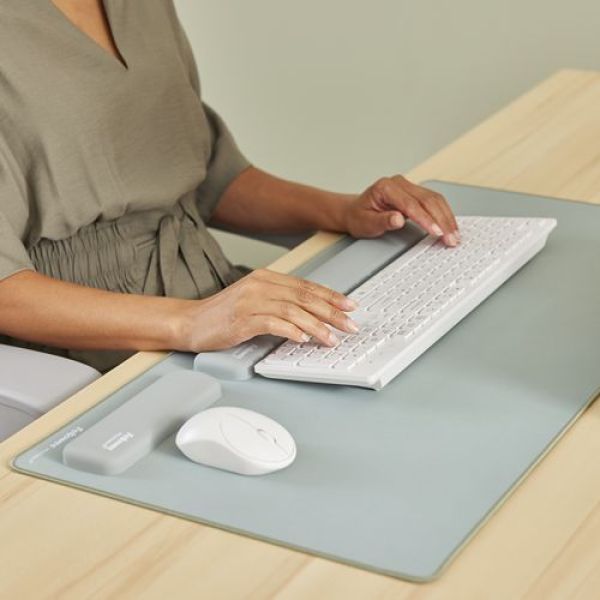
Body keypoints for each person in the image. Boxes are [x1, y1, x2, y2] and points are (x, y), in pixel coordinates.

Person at [0, 0, 459, 373]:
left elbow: (205, 177)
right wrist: (190, 322)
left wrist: (344, 212)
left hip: (215, 302)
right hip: (85, 359)